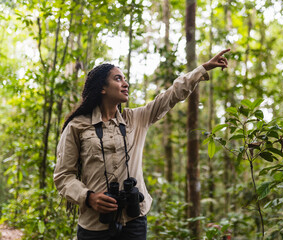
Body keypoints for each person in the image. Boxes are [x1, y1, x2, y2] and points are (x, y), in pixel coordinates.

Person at [53, 49, 230, 240]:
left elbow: (171, 95)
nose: (125, 84)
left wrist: (202, 68)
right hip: (94, 225)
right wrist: (89, 197)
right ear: (102, 88)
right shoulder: (77, 126)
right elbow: (63, 176)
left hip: (134, 221)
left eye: (125, 79)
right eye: (118, 79)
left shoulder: (136, 118)